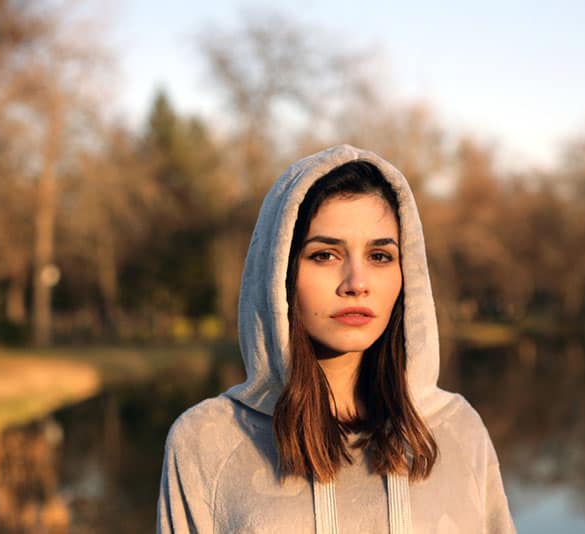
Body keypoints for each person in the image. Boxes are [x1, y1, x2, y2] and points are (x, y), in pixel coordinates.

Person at [157, 145, 516, 533]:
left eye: (380, 256)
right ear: (280, 272)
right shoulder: (206, 441)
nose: (356, 284)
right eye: (325, 255)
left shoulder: (457, 430)